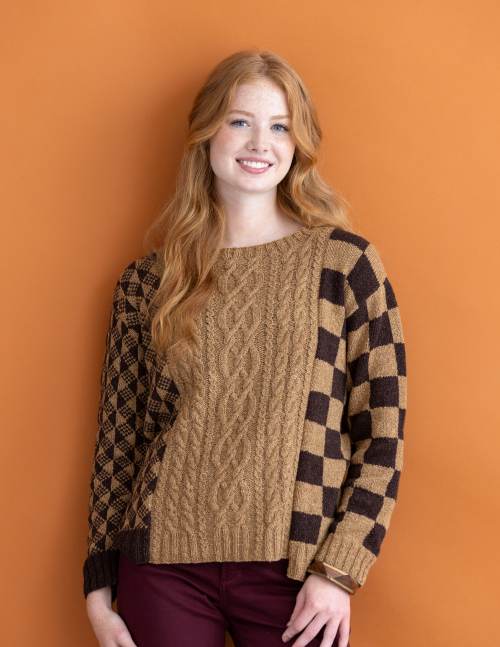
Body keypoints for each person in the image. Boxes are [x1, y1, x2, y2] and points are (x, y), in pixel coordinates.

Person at [83, 49, 407, 647]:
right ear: (206, 133)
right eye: (240, 121)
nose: (261, 142)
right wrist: (99, 595)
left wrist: (338, 570)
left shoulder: (344, 266)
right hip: (162, 567)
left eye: (280, 126)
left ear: (298, 143)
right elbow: (119, 442)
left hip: (298, 568)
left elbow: (382, 434)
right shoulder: (148, 283)